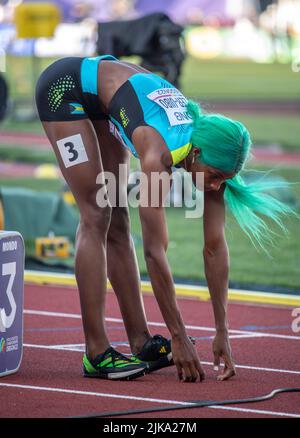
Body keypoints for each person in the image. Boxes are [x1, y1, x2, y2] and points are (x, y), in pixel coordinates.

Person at [35, 55, 296, 382]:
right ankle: (97, 353)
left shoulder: (210, 155)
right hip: (66, 91)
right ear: (196, 155)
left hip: (107, 100)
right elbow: (154, 252)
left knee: (119, 219)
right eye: (214, 177)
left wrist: (222, 332)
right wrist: (179, 336)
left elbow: (214, 249)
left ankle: (141, 342)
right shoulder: (158, 155)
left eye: (222, 180)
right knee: (97, 213)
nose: (215, 186)